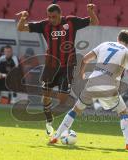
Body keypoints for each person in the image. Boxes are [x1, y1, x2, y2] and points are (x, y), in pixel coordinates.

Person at [49, 30, 128, 150]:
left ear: (118, 37)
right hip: (109, 87)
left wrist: (81, 75)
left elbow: (85, 59)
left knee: (75, 110)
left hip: (92, 82)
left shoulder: (105, 44)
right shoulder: (127, 52)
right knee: (123, 112)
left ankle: (56, 136)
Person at [16, 3, 99, 136]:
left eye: (54, 17)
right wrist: (23, 18)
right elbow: (21, 28)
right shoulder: (44, 25)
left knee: (62, 99)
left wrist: (90, 11)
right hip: (50, 66)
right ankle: (49, 120)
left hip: (67, 66)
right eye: (49, 17)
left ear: (60, 15)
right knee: (45, 97)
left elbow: (94, 22)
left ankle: (68, 116)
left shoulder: (71, 22)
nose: (51, 19)